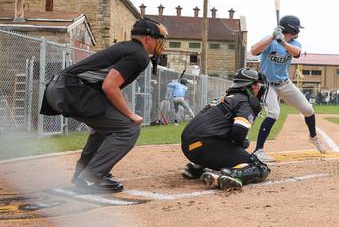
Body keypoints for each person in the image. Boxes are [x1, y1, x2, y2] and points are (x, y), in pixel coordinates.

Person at [40, 18, 168, 193]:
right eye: (159, 39)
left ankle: (83, 175)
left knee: (107, 126)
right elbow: (109, 86)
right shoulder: (139, 55)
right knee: (128, 128)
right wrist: (130, 114)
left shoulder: (127, 47)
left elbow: (105, 86)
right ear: (148, 39)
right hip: (72, 90)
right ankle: (92, 178)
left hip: (61, 88)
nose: (161, 44)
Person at [250, 15, 326, 163]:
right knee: (274, 113)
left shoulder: (294, 42)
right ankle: (258, 150)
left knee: (308, 109)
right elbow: (253, 51)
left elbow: (296, 53)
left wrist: (283, 42)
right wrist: (272, 37)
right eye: (297, 28)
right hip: (266, 84)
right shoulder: (270, 40)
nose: (298, 31)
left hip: (284, 83)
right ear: (291, 28)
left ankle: (313, 137)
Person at [181, 68, 270, 191]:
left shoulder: (223, 99)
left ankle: (197, 168)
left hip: (188, 147)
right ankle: (226, 175)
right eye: (258, 85)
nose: (260, 88)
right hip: (206, 146)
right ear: (253, 86)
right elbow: (239, 132)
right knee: (259, 167)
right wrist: (240, 143)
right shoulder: (244, 101)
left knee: (229, 145)